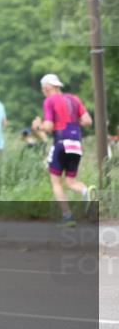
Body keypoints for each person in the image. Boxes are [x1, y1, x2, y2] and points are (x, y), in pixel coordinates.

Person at [31, 73, 95, 227]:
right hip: (76, 144)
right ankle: (86, 191)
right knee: (71, 182)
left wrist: (37, 126)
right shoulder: (74, 99)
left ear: (47, 87)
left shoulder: (49, 101)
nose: (43, 92)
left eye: (42, 89)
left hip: (61, 143)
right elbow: (88, 121)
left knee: (55, 181)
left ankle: (68, 217)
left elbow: (49, 127)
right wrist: (74, 122)